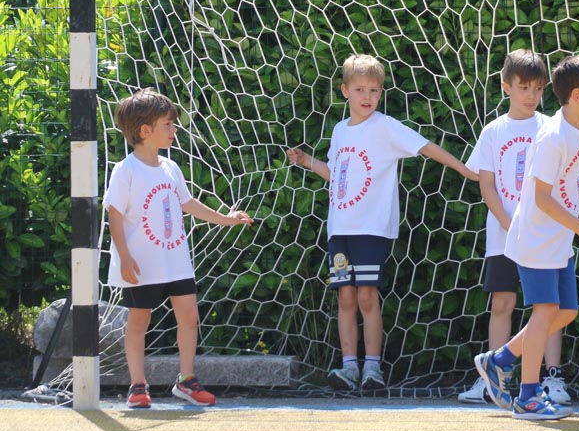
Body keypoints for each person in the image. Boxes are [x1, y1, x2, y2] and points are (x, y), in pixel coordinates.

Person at [287, 53, 478, 391]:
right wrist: (307, 161)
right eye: (360, 89)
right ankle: (349, 367)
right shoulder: (339, 130)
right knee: (345, 297)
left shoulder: (385, 126)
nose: (367, 97)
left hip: (370, 230)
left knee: (366, 296)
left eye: (374, 90)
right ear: (345, 91)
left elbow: (425, 146)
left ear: (381, 93)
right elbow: (337, 175)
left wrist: (464, 169)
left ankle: (373, 369)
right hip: (339, 230)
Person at [473, 55, 579, 420]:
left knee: (566, 311)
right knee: (546, 311)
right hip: (536, 237)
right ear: (578, 96)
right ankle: (528, 396)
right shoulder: (553, 137)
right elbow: (541, 198)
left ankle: (499, 360)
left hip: (558, 237)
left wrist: (572, 229)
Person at [104, 88, 254, 409]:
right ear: (145, 130)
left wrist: (226, 219)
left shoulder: (171, 168)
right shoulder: (125, 170)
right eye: (168, 124)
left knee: (189, 316)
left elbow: (188, 203)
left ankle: (186, 381)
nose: (174, 129)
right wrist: (125, 257)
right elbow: (114, 215)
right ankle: (138, 385)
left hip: (176, 261)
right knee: (139, 320)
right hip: (142, 265)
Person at [458, 49, 570, 407]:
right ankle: (494, 377)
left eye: (538, 88)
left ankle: (552, 378)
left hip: (545, 238)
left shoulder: (551, 127)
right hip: (503, 236)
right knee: (502, 302)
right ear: (506, 86)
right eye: (523, 87)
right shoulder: (493, 131)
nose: (531, 95)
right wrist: (511, 224)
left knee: (549, 306)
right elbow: (486, 185)